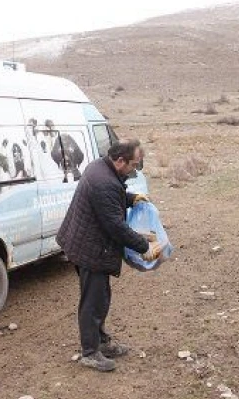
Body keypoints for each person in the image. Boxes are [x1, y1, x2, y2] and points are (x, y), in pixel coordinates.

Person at [56, 139, 163, 372]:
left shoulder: (100, 167)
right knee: (92, 301)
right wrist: (144, 247)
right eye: (134, 165)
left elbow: (111, 198)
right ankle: (90, 352)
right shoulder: (104, 182)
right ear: (120, 160)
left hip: (84, 242)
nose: (135, 170)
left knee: (100, 297)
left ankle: (101, 343)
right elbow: (115, 226)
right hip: (89, 249)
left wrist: (130, 197)